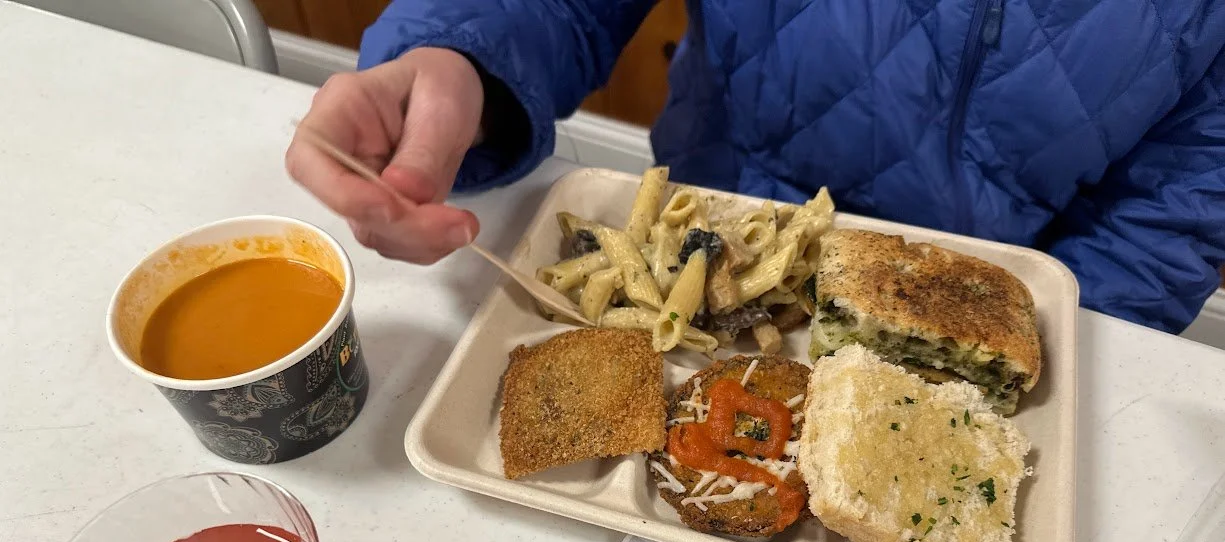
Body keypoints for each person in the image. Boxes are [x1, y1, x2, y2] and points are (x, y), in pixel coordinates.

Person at [285, 1, 1225, 334]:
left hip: (982, 305)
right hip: (703, 242)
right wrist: (460, 57)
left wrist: (1037, 348)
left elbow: (1172, 213)